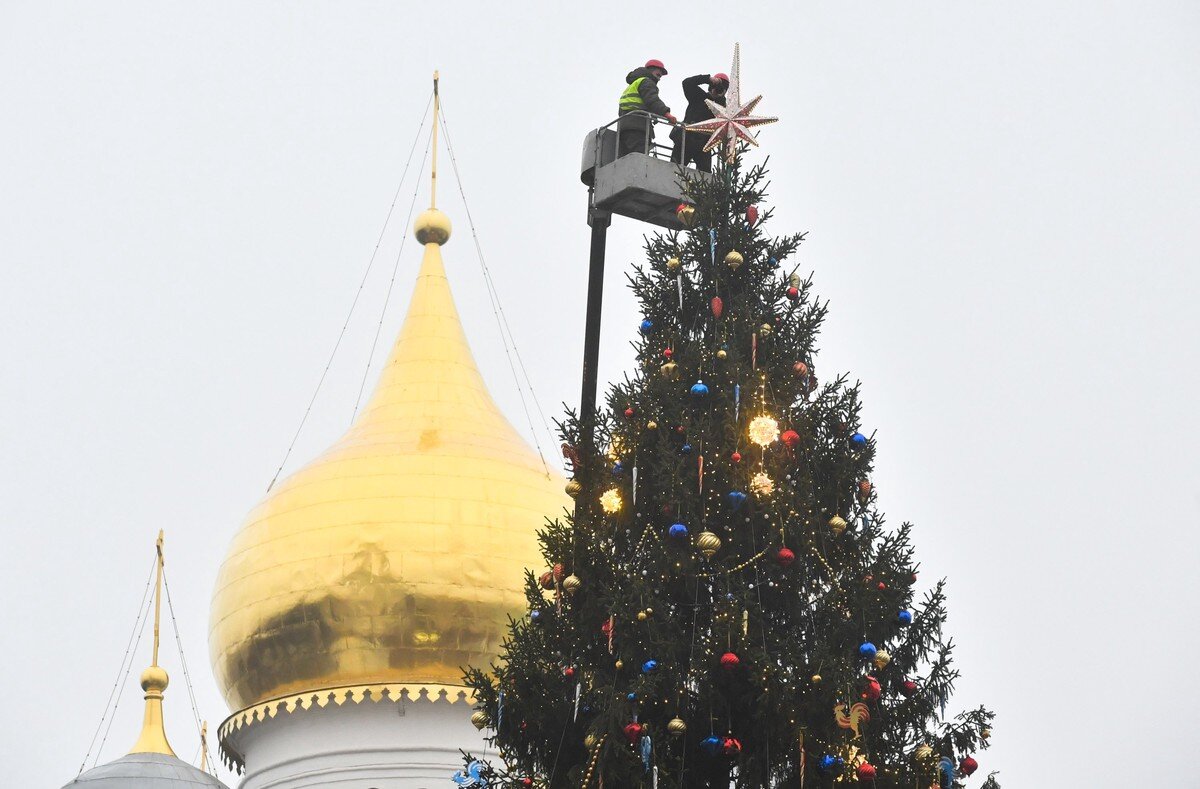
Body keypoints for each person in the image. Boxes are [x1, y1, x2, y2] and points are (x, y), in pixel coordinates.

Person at [669, 73, 728, 173]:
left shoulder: (722, 107)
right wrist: (707, 79)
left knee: (705, 175)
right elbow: (687, 83)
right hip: (686, 138)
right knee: (673, 170)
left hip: (704, 143)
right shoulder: (699, 96)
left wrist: (719, 97)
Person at [617, 59, 677, 157]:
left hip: (625, 126)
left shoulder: (635, 83)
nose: (660, 78)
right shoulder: (646, 82)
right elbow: (652, 100)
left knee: (626, 159)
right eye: (658, 74)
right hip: (638, 127)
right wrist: (667, 114)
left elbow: (642, 103)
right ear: (651, 69)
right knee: (638, 158)